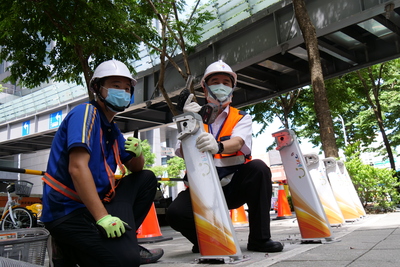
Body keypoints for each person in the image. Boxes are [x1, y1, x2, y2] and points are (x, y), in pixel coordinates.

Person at [41, 59, 163, 266]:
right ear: (98, 88)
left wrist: (138, 153)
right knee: (125, 261)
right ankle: (66, 245)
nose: (123, 92)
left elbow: (136, 169)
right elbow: (77, 168)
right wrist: (102, 217)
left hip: (96, 204)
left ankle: (125, 242)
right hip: (68, 211)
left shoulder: (112, 128)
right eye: (116, 86)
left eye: (126, 88)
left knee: (147, 179)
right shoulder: (85, 113)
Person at [166, 60, 284, 253]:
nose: (221, 86)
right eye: (215, 81)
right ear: (204, 88)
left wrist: (218, 146)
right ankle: (207, 240)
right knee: (175, 213)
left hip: (233, 186)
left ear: (232, 89)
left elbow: (238, 143)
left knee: (259, 169)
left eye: (226, 82)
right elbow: (181, 151)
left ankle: (259, 239)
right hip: (202, 188)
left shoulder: (241, 117)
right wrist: (190, 122)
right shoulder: (192, 118)